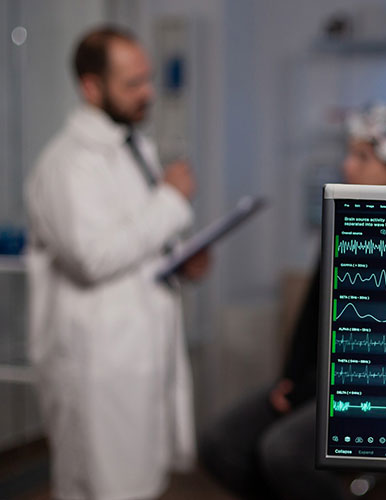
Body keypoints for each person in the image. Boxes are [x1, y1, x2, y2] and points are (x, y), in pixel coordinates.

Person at [199, 103, 386, 500]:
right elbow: (313, 315)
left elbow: (379, 349)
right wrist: (290, 377)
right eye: (349, 153)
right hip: (314, 382)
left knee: (284, 451)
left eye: (362, 157)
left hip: (373, 393)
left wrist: (308, 390)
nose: (347, 167)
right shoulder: (345, 218)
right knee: (220, 443)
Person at [25, 26, 209, 499]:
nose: (147, 93)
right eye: (132, 83)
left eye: (147, 79)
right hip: (98, 365)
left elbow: (136, 236)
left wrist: (180, 258)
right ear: (91, 86)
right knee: (103, 486)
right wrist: (170, 200)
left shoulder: (132, 148)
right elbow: (93, 258)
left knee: (141, 482)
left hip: (142, 351)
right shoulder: (67, 165)